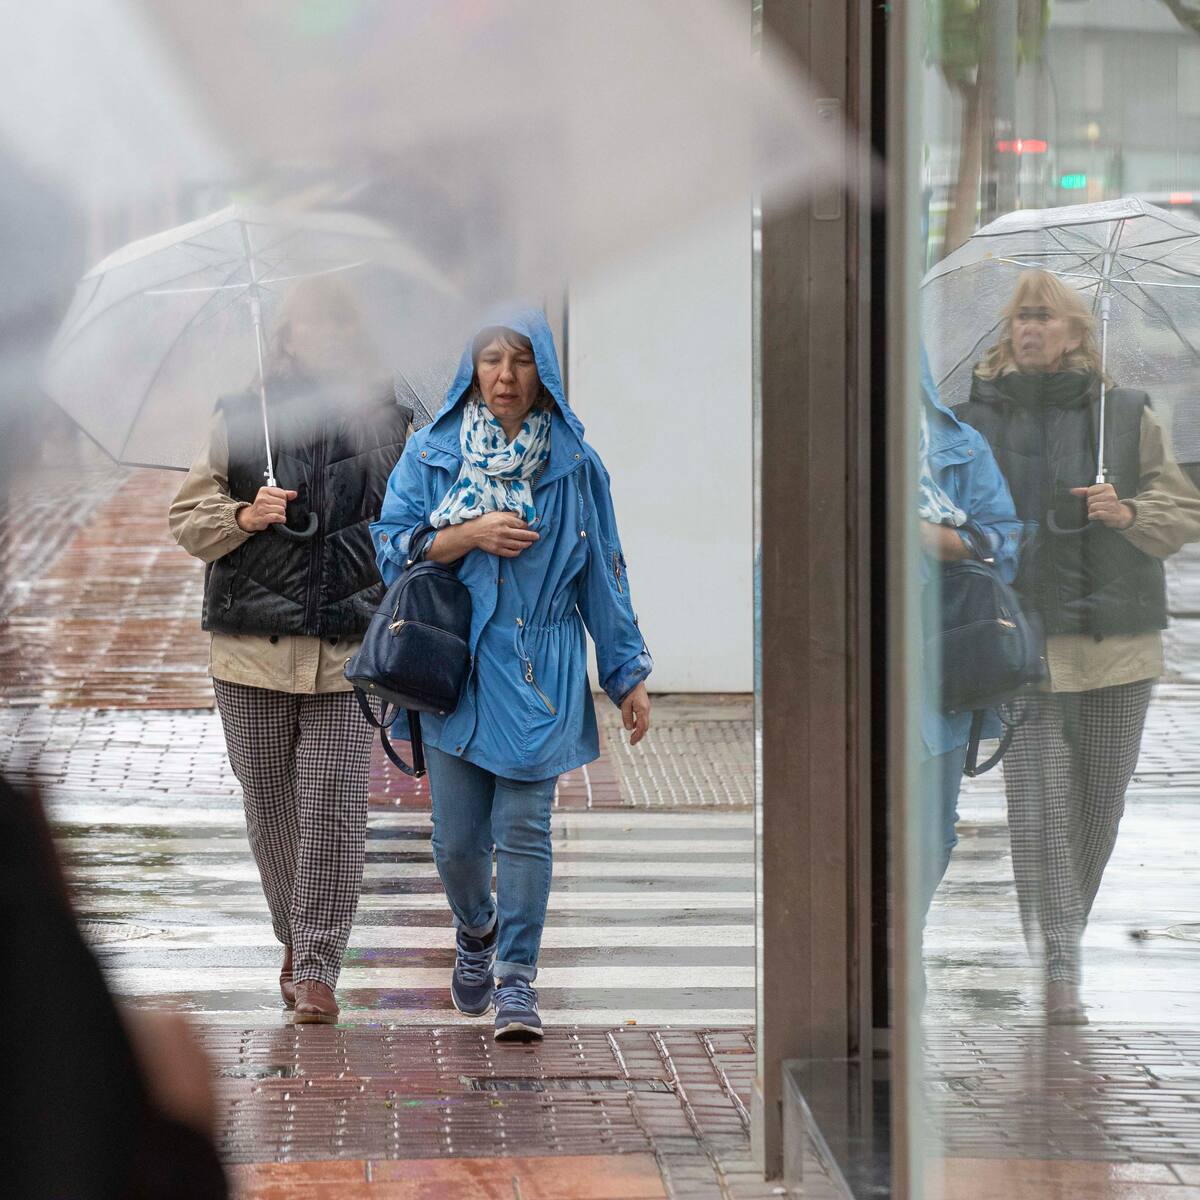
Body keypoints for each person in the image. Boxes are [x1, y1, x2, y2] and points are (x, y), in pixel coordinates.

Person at [372, 309, 652, 1042]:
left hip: (542, 669)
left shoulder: (574, 463)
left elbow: (604, 572)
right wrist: (467, 535)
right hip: (455, 668)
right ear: (471, 367)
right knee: (456, 843)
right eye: (491, 359)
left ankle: (518, 980)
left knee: (523, 829)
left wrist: (626, 674)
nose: (505, 375)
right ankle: (476, 930)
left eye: (520, 360)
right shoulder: (432, 454)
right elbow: (388, 546)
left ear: (544, 371)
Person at [956, 269, 1200, 1024]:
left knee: (1099, 800)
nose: (1030, 329)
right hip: (1017, 642)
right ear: (1007, 331)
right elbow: (944, 512)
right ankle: (1060, 950)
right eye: (1020, 317)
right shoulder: (972, 422)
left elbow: (1180, 510)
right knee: (1037, 805)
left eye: (1046, 318)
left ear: (1074, 334)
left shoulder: (1125, 415)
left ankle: (1065, 928)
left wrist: (1124, 510)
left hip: (1117, 645)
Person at [169, 277, 410, 1024]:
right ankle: (294, 933)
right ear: (286, 339)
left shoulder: (391, 425)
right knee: (271, 804)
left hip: (348, 651)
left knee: (334, 807)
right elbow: (188, 520)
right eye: (309, 329)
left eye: (338, 329)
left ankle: (316, 965)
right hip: (249, 651)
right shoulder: (245, 420)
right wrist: (245, 513)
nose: (323, 343)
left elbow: (414, 526)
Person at [917, 347, 1020, 927]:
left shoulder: (960, 449)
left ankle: (899, 946)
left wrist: (936, 539)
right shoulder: (821, 446)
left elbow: (1005, 541)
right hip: (844, 673)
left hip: (941, 669)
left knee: (933, 834)